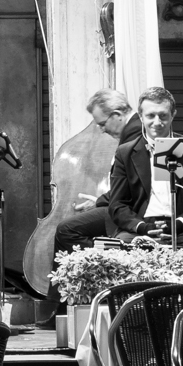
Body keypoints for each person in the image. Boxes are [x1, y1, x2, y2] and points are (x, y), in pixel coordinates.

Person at [59, 86, 183, 251]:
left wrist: (180, 223)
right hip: (140, 226)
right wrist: (142, 227)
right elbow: (118, 204)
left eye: (163, 115)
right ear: (140, 116)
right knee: (117, 258)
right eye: (150, 116)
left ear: (173, 115)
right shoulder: (125, 152)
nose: (157, 122)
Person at [26, 89, 131, 296]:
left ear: (117, 115)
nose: (101, 130)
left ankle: (102, 261)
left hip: (125, 210)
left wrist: (102, 201)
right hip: (117, 204)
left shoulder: (132, 137)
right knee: (67, 228)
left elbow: (130, 186)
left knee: (66, 229)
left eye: (102, 124)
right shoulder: (128, 136)